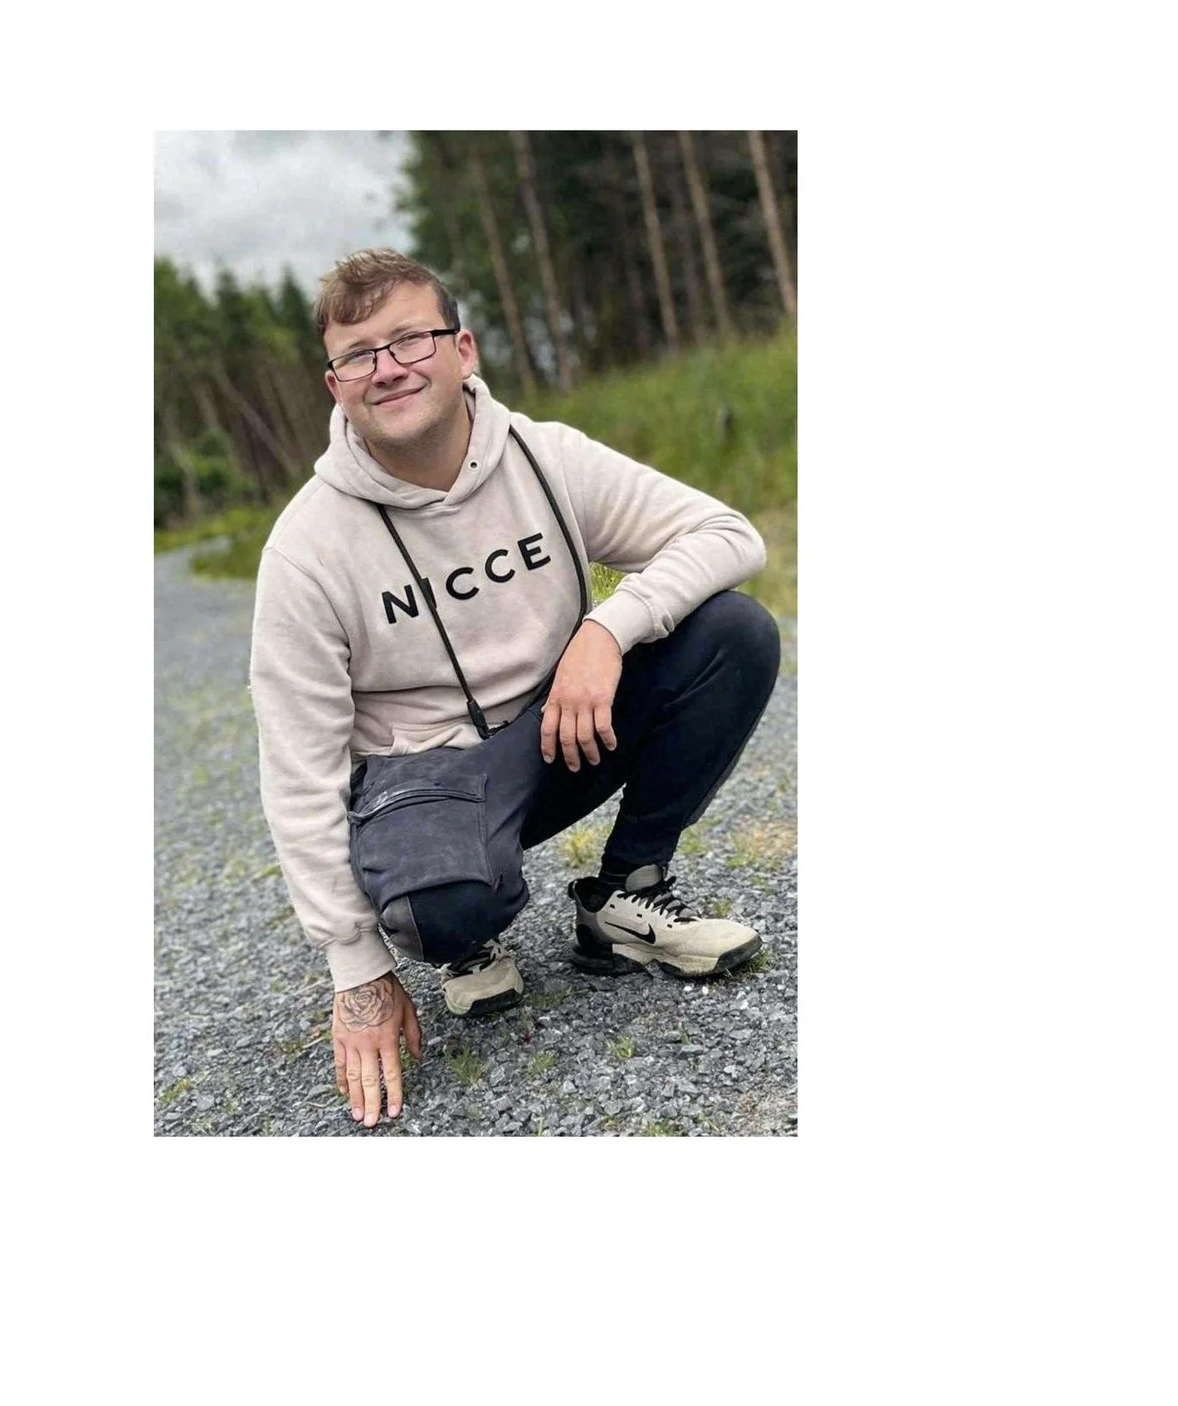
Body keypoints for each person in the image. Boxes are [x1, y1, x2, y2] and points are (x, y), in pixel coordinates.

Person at [249, 249, 781, 1129]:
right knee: (442, 907)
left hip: (564, 731)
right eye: (359, 355)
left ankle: (625, 894)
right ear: (336, 386)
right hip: (427, 783)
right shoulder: (305, 550)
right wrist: (358, 971)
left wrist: (606, 630)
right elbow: (298, 770)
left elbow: (728, 534)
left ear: (463, 349)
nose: (388, 368)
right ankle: (468, 933)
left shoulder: (544, 455)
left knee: (735, 633)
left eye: (410, 339)